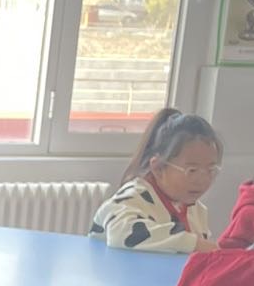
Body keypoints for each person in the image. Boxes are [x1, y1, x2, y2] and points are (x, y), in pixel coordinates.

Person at [89, 107, 222, 254]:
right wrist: (193, 243)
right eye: (192, 170)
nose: (202, 180)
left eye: (210, 170)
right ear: (158, 168)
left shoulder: (196, 210)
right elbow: (119, 232)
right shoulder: (133, 197)